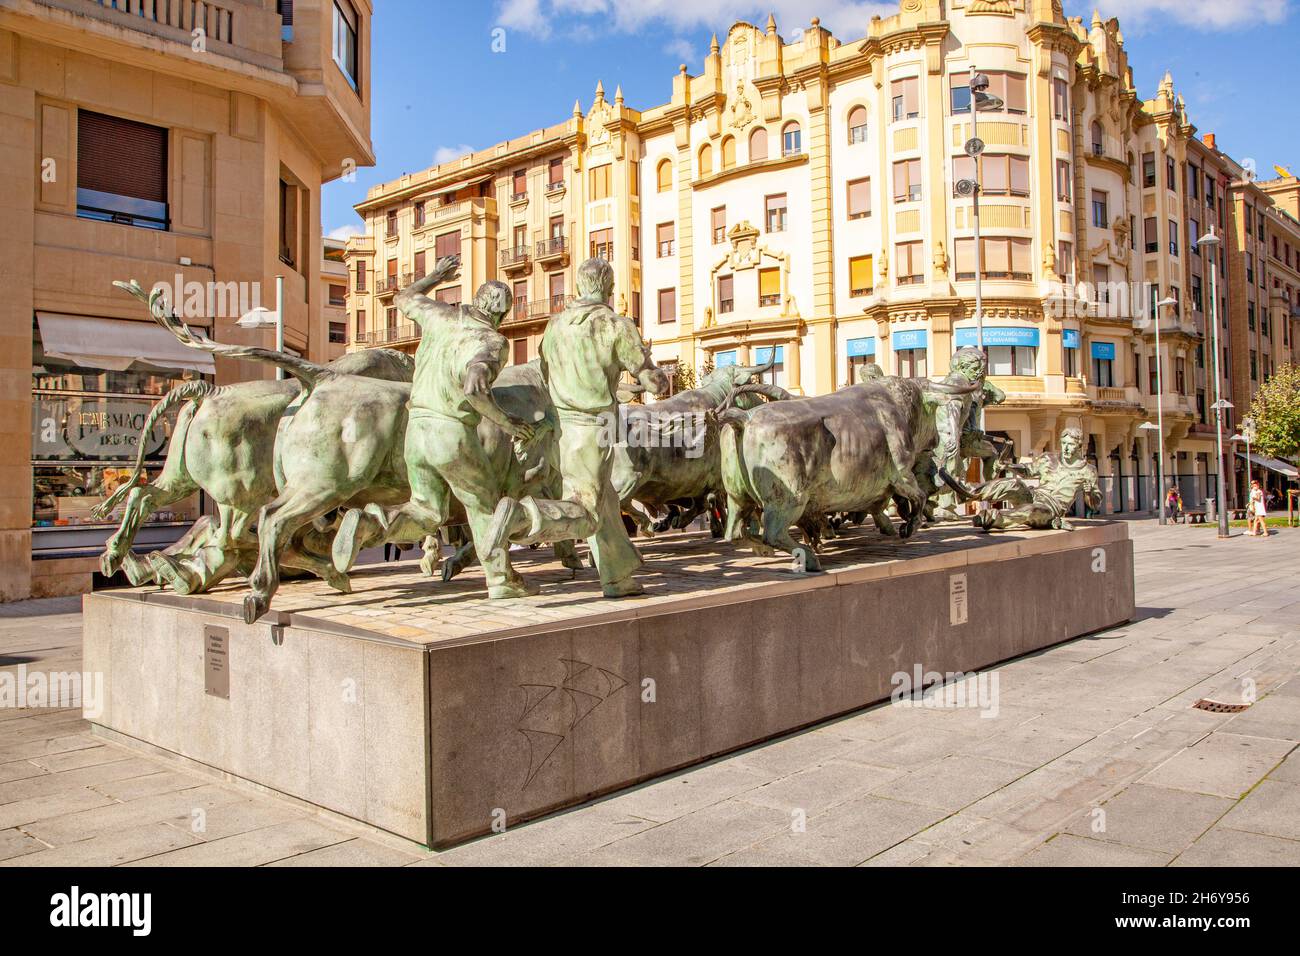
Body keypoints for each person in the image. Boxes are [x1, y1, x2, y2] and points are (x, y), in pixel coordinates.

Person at [332, 257, 539, 599]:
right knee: (484, 503)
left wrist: (435, 276)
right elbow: (475, 388)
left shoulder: (439, 315)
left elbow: (403, 298)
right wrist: (509, 422)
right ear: (502, 311)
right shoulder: (491, 342)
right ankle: (501, 580)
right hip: (450, 432)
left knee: (426, 509)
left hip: (416, 429)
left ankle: (371, 525)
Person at [484, 257, 669, 597]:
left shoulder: (555, 325)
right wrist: (660, 378)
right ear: (608, 288)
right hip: (592, 429)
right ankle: (519, 516)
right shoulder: (615, 325)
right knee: (586, 510)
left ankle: (616, 576)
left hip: (558, 430)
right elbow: (650, 379)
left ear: (580, 287)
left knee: (605, 501)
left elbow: (545, 370)